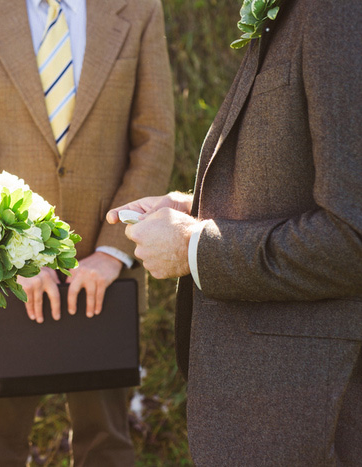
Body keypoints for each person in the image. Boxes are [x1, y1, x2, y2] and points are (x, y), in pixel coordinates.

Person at [107, 0, 362, 464]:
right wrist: (192, 208)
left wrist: (194, 248)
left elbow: (352, 238)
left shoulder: (338, 12)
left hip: (312, 417)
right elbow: (298, 187)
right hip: (260, 411)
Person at [0, 0, 174, 464]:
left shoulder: (139, 8)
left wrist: (113, 251)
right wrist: (9, 254)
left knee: (107, 443)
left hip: (105, 278)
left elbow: (155, 138)